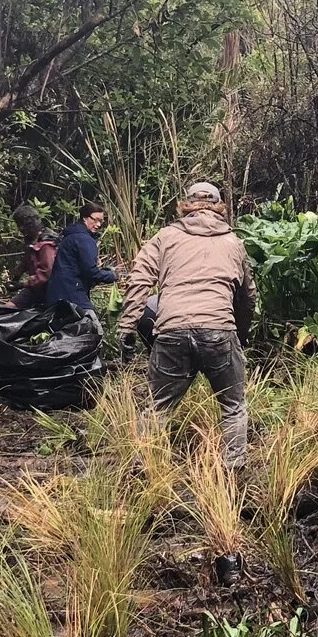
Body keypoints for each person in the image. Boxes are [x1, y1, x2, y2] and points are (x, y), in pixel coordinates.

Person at [118, 180, 257, 467]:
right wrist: (240, 335)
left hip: (171, 330)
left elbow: (139, 279)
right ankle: (233, 472)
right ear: (220, 207)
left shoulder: (165, 237)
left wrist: (128, 327)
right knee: (233, 407)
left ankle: (140, 468)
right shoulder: (234, 242)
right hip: (218, 330)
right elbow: (247, 297)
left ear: (186, 205)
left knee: (159, 408)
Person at [46, 201, 117, 320]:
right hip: (72, 293)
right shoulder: (83, 239)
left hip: (56, 292)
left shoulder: (71, 235)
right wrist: (111, 275)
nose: (98, 224)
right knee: (92, 325)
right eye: (95, 220)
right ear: (85, 218)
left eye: (101, 221)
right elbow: (91, 272)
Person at [10, 205, 55, 310]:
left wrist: (22, 284)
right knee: (6, 310)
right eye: (19, 225)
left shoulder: (46, 243)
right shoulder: (31, 240)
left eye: (23, 225)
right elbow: (27, 260)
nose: (21, 228)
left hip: (49, 290)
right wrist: (16, 277)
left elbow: (47, 273)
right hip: (35, 289)